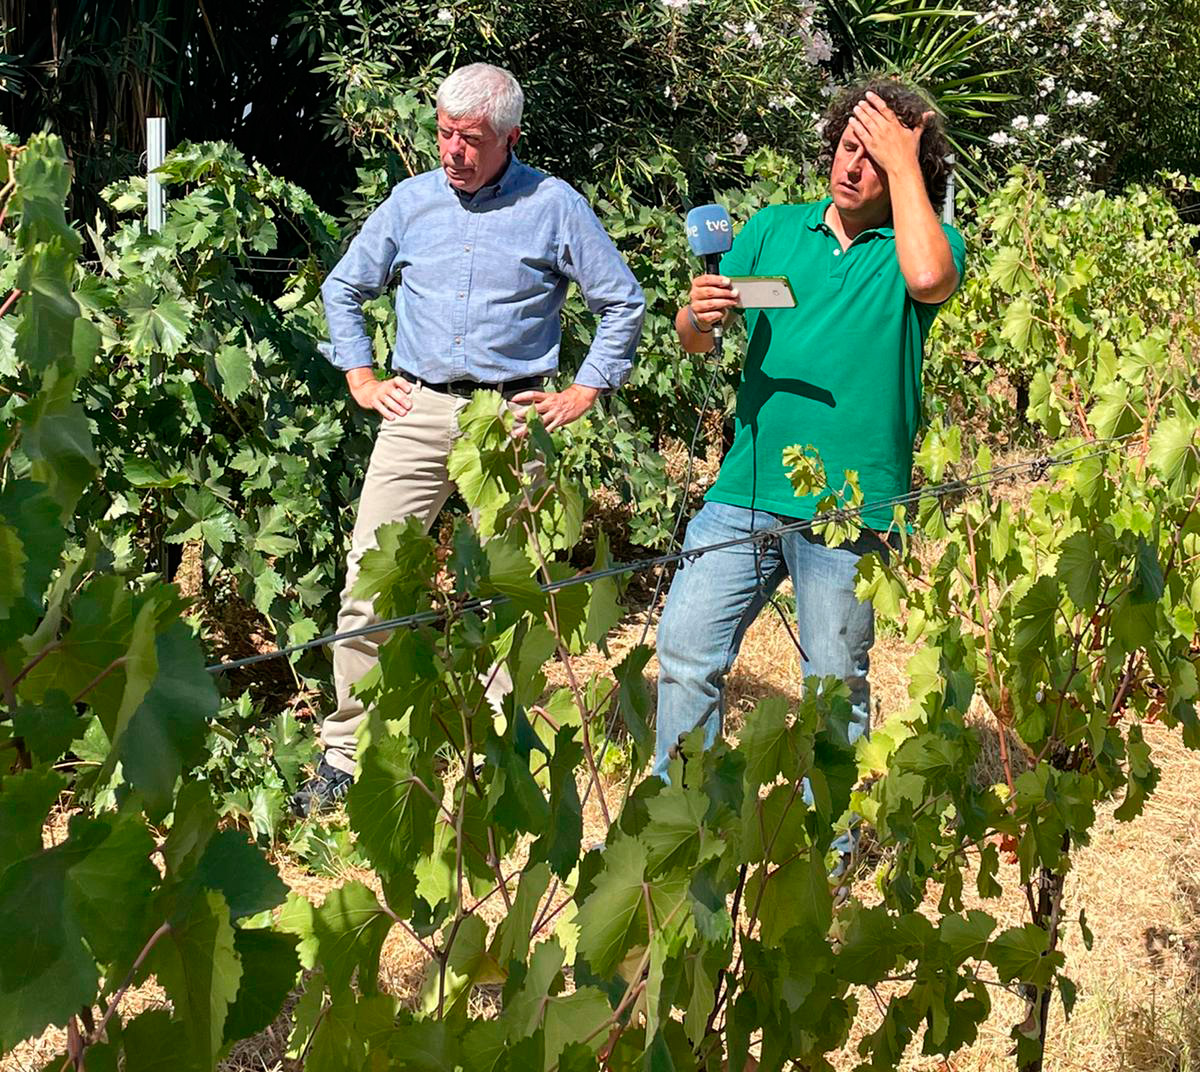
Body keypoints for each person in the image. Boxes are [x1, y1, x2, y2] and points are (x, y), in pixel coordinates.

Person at [291, 62, 645, 816]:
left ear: (510, 138)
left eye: (471, 139)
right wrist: (359, 375)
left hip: (512, 421)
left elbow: (622, 300)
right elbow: (344, 287)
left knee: (513, 592)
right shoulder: (411, 202)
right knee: (370, 581)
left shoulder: (554, 206)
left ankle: (495, 755)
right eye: (445, 134)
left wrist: (585, 389)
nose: (452, 151)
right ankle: (347, 756)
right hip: (415, 411)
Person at [653, 78, 966, 785]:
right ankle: (683, 812)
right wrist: (698, 317)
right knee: (685, 655)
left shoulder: (926, 243)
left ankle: (832, 851)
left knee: (832, 688)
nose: (853, 168)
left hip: (848, 507)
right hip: (746, 486)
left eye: (877, 161)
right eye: (849, 148)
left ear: (910, 174)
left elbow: (928, 278)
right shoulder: (771, 228)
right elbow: (694, 338)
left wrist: (905, 160)